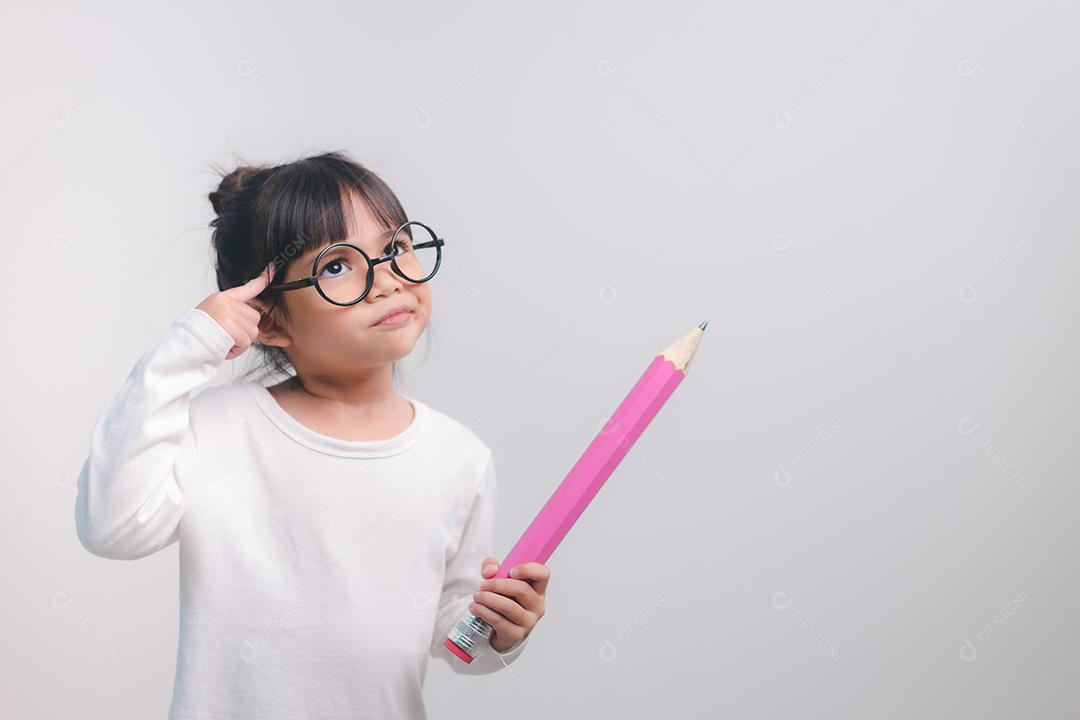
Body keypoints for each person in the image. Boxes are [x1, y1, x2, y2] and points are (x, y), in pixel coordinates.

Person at [73, 150, 549, 719]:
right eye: (335, 266)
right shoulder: (218, 427)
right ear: (269, 320)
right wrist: (188, 346)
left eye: (394, 247)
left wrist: (499, 631)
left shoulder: (459, 457)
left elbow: (453, 633)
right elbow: (111, 527)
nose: (386, 281)